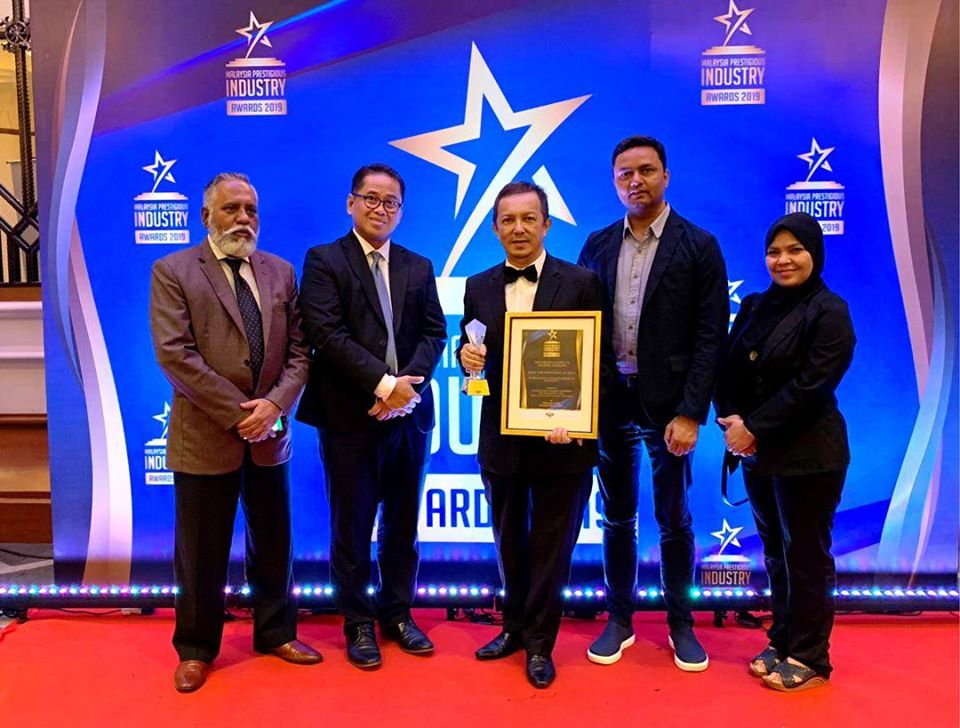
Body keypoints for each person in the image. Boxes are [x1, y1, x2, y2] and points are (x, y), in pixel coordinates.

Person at [150, 172, 320, 693]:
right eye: (231, 209)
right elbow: (175, 355)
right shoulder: (173, 271)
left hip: (270, 436)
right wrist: (241, 412)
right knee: (201, 551)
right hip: (206, 435)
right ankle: (196, 649)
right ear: (206, 217)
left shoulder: (280, 272)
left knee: (275, 542)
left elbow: (300, 352)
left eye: (250, 209)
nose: (243, 218)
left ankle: (276, 632)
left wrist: (273, 407)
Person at [578, 136, 728, 671]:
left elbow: (711, 336)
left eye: (646, 170)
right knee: (617, 517)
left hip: (671, 408)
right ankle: (619, 619)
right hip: (610, 401)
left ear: (665, 175)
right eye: (625, 173)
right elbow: (578, 326)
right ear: (614, 181)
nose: (635, 180)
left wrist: (691, 413)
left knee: (673, 518)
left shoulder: (699, 245)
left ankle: (680, 624)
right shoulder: (597, 244)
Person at [459, 181, 609, 689]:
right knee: (508, 542)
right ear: (494, 227)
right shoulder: (478, 285)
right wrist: (466, 358)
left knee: (552, 548)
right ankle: (513, 629)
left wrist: (580, 419)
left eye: (529, 218)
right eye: (508, 220)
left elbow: (599, 363)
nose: (518, 228)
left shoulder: (582, 282)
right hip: (501, 440)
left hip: (562, 441)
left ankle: (541, 644)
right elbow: (471, 352)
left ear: (546, 224)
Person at [296, 163, 446, 669]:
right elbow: (326, 334)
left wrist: (405, 391)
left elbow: (434, 334)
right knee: (352, 526)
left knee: (402, 524)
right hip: (349, 417)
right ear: (351, 203)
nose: (381, 209)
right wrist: (384, 385)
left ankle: (397, 613)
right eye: (372, 198)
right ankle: (357, 621)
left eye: (391, 202)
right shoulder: (324, 260)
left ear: (401, 210)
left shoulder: (418, 266)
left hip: (409, 417)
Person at [715, 211, 855, 691]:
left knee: (806, 557)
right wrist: (732, 421)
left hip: (810, 455)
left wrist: (754, 427)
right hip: (757, 454)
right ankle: (782, 640)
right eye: (774, 251)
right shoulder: (755, 305)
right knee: (776, 552)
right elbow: (727, 369)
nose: (783, 260)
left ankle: (811, 657)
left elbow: (813, 385)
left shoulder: (830, 311)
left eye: (795, 250)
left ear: (815, 253)